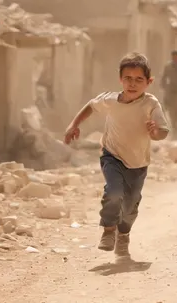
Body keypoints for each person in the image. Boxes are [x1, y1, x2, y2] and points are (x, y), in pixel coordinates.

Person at [63, 52, 170, 259]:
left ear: (149, 82)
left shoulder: (151, 104)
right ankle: (109, 229)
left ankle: (124, 235)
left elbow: (162, 132)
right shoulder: (111, 100)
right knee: (113, 192)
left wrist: (154, 131)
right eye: (128, 79)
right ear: (120, 79)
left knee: (130, 206)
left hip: (138, 163)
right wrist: (73, 125)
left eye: (139, 79)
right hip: (112, 156)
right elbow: (91, 106)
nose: (132, 84)